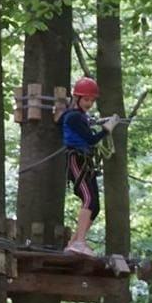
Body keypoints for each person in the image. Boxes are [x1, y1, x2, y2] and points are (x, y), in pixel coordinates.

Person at [58, 75, 120, 256]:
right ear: (77, 98)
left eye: (92, 100)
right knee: (89, 200)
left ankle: (73, 243)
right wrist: (106, 129)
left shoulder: (80, 117)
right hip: (76, 160)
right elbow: (91, 140)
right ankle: (79, 242)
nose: (89, 103)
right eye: (86, 99)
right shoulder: (74, 117)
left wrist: (101, 125)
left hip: (85, 162)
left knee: (96, 206)